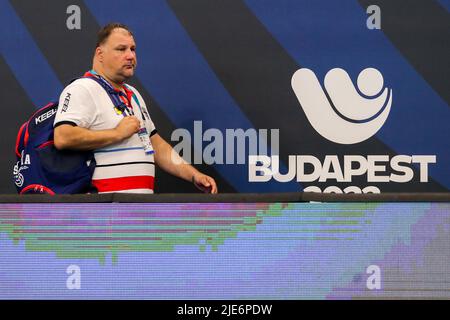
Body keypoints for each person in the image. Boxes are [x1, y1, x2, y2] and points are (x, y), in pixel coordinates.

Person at [53, 22, 217, 194]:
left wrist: (193, 175)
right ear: (100, 54)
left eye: (133, 49)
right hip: (104, 212)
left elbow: (156, 145)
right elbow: (63, 136)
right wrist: (117, 133)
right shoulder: (83, 88)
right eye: (121, 49)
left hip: (138, 211)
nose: (130, 55)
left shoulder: (133, 94)